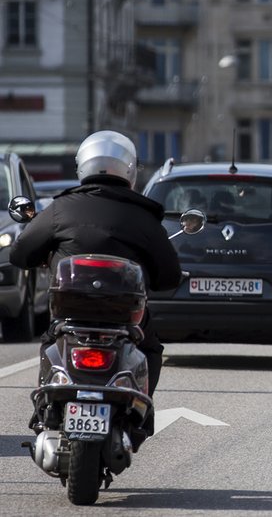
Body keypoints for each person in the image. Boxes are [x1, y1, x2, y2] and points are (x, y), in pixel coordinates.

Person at [10, 131, 182, 426]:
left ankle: (45, 409)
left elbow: (20, 254)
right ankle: (140, 414)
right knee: (150, 348)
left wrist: (46, 256)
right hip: (123, 314)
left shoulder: (61, 208)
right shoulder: (143, 216)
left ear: (83, 166)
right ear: (129, 169)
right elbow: (169, 276)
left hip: (70, 311)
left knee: (51, 341)